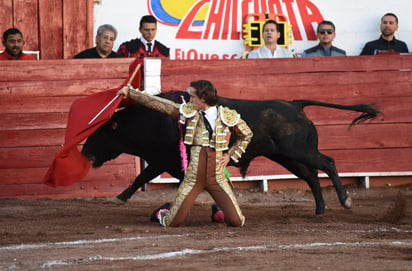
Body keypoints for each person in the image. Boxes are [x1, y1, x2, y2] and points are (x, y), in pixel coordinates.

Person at [117, 80, 253, 227]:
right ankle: (163, 211)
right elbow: (158, 103)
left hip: (217, 178)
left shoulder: (227, 116)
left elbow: (246, 135)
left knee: (237, 221)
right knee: (172, 222)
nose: (190, 100)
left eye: (193, 96)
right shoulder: (189, 112)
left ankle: (217, 209)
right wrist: (130, 93)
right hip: (193, 179)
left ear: (203, 98)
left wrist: (230, 155)